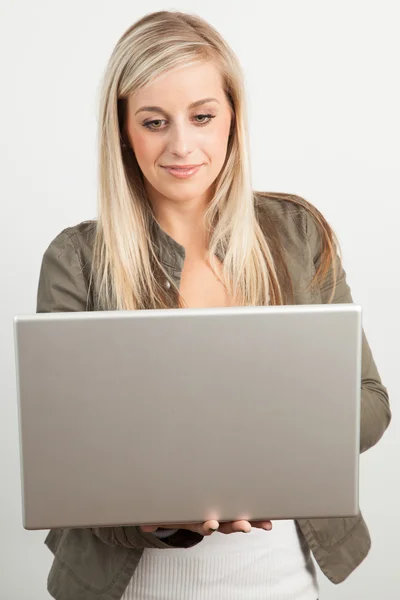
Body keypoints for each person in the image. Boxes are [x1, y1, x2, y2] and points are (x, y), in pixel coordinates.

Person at [36, 10, 391, 600]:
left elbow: (371, 406)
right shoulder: (77, 259)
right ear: (123, 130)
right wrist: (155, 514)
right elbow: (64, 462)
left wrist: (261, 448)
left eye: (202, 116)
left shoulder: (298, 233)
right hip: (136, 585)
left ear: (232, 117)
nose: (182, 145)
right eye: (154, 122)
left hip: (283, 577)